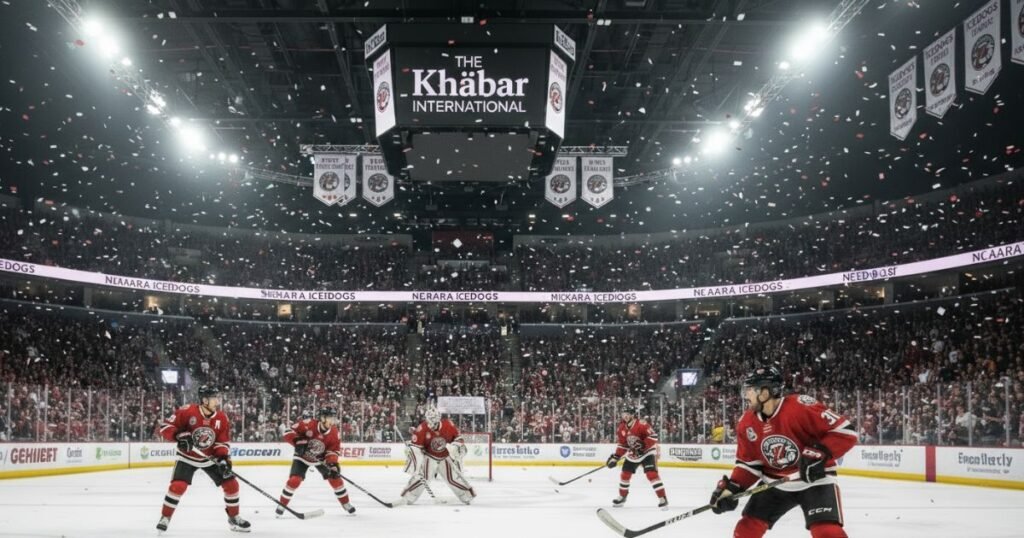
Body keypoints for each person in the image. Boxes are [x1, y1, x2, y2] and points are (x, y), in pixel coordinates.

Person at [709, 365, 858, 538]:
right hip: (775, 483)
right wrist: (732, 487)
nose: (746, 395)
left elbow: (846, 432)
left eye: (750, 390)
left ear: (764, 393)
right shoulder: (746, 422)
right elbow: (749, 465)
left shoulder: (800, 406)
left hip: (815, 481)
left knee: (827, 532)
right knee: (746, 529)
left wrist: (820, 453)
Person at [156, 385, 250, 533]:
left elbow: (222, 441)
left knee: (232, 485)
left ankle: (234, 518)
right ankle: (165, 517)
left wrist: (223, 458)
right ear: (205, 400)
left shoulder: (221, 417)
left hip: (210, 458)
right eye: (214, 397)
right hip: (187, 457)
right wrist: (178, 436)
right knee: (177, 486)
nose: (217, 400)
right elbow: (164, 427)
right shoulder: (187, 411)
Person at [276, 406, 356, 516]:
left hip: (320, 459)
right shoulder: (308, 424)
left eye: (333, 418)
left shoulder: (334, 433)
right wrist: (297, 440)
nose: (332, 421)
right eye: (330, 418)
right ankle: (282, 504)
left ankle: (346, 503)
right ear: (322, 418)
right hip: (302, 457)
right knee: (294, 481)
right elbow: (288, 432)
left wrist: (332, 464)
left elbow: (333, 450)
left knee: (335, 478)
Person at [398, 406, 475, 505]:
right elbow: (416, 447)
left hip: (445, 456)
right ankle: (408, 496)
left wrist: (456, 447)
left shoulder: (448, 425)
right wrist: (411, 450)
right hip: (429, 456)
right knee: (423, 478)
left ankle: (466, 495)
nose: (430, 424)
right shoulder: (422, 428)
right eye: (429, 421)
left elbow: (458, 438)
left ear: (438, 419)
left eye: (433, 421)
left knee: (452, 478)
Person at [606, 406, 668, 509]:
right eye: (623, 414)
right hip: (633, 454)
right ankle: (622, 496)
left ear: (632, 415)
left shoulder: (641, 424)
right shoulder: (621, 427)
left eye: (627, 414)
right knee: (625, 475)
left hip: (647, 452)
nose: (625, 416)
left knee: (651, 474)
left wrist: (643, 445)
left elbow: (653, 436)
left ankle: (662, 498)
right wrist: (616, 457)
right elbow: (623, 445)